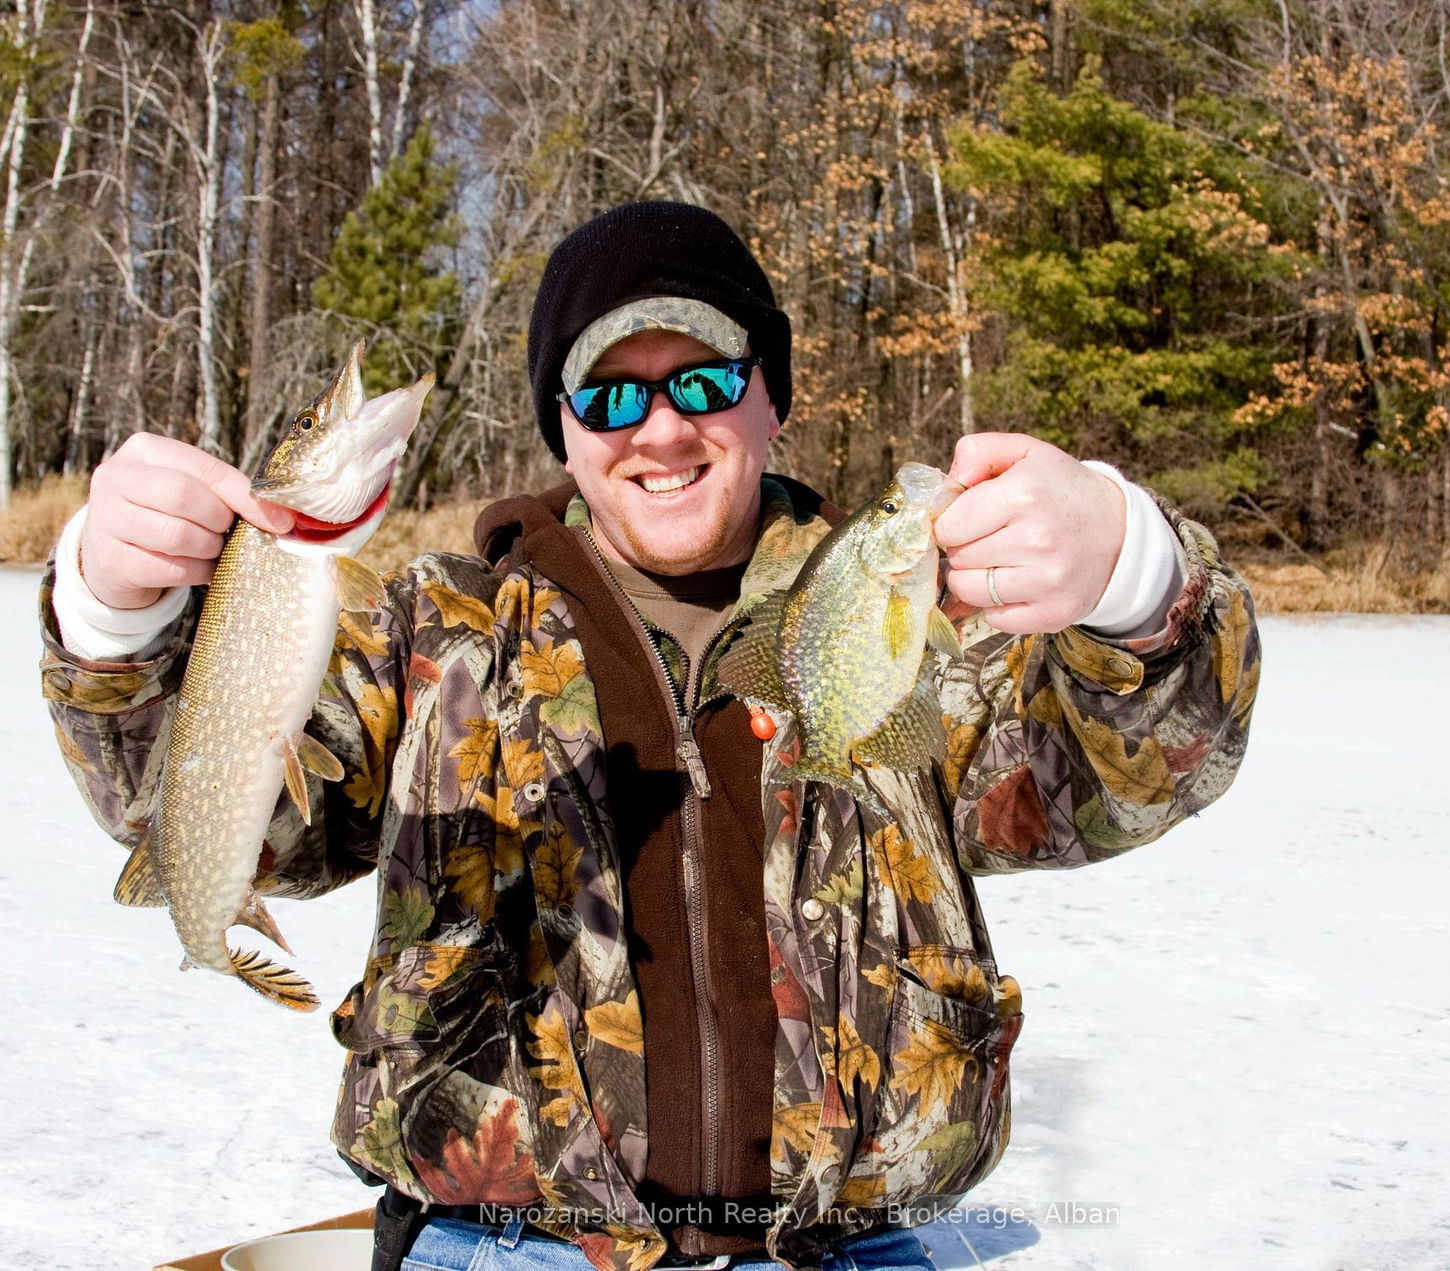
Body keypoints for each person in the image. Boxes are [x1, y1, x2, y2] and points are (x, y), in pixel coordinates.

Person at [41, 201, 1260, 1271]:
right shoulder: (440, 626)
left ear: (771, 396)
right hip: (504, 1243)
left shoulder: (901, 603)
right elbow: (222, 821)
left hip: (849, 1242)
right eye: (615, 392)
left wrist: (1132, 575)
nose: (661, 428)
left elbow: (1123, 772)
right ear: (562, 427)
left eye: (705, 380)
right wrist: (117, 616)